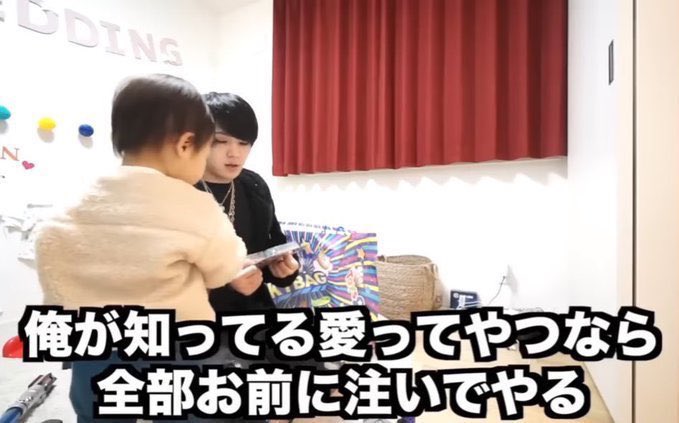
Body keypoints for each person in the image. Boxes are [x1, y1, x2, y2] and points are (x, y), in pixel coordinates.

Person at [35, 74, 251, 423]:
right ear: (186, 144)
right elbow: (225, 268)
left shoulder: (77, 201)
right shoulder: (193, 205)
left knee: (99, 408)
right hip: (174, 342)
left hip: (95, 340)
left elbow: (49, 248)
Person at [198, 92, 300, 314]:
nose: (234, 153)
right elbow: (163, 278)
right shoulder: (179, 189)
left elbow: (274, 244)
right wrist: (225, 282)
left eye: (243, 143)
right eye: (220, 141)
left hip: (254, 312)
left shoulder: (253, 185)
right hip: (197, 318)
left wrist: (284, 270)